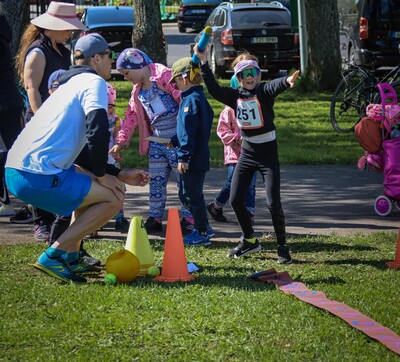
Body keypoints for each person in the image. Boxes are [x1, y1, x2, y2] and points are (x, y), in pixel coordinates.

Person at [5, 33, 150, 283]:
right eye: (109, 55)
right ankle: (54, 254)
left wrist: (116, 173)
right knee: (114, 198)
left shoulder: (69, 85)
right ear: (96, 58)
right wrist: (103, 176)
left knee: (91, 193)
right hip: (36, 175)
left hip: (17, 171)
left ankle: (72, 257)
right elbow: (96, 129)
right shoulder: (93, 83)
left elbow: (81, 148)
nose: (112, 62)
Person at [195, 46, 299, 262]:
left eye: (253, 73)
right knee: (235, 199)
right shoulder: (235, 96)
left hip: (268, 155)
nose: (249, 77)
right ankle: (250, 241)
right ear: (238, 78)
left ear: (258, 75)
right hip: (248, 154)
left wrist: (287, 81)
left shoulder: (263, 92)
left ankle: (282, 248)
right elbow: (213, 89)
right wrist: (203, 62)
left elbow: (275, 85)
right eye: (244, 74)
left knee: (273, 203)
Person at [12, 2, 86, 241]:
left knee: (57, 168)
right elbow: (31, 88)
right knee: (40, 169)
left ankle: (58, 218)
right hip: (40, 119)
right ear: (53, 27)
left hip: (58, 118)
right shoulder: (37, 51)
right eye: (67, 28)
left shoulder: (62, 51)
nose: (70, 32)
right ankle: (40, 222)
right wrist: (42, 118)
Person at [110, 48, 194, 234]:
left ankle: (189, 218)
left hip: (176, 140)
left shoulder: (163, 75)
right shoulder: (136, 91)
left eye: (126, 73)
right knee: (156, 180)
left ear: (137, 65)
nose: (125, 77)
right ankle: (155, 217)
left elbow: (184, 99)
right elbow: (131, 117)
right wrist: (121, 140)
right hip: (156, 142)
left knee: (184, 180)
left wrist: (186, 132)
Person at [168, 57, 214, 246]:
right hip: (198, 155)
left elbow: (189, 131)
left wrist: (183, 156)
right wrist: (175, 140)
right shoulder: (198, 98)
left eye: (177, 81)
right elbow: (190, 131)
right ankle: (204, 226)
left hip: (192, 159)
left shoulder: (190, 101)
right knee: (188, 194)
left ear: (185, 79)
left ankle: (201, 231)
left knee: (192, 195)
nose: (176, 86)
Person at [207, 75, 257, 225]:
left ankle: (249, 212)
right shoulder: (229, 110)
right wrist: (236, 138)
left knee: (251, 184)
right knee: (233, 182)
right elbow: (222, 131)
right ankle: (216, 206)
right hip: (235, 155)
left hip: (251, 153)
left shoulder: (253, 107)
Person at [0, 6, 24, 216]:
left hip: (4, 100)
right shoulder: (3, 30)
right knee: (15, 151)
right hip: (9, 100)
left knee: (14, 152)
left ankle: (29, 205)